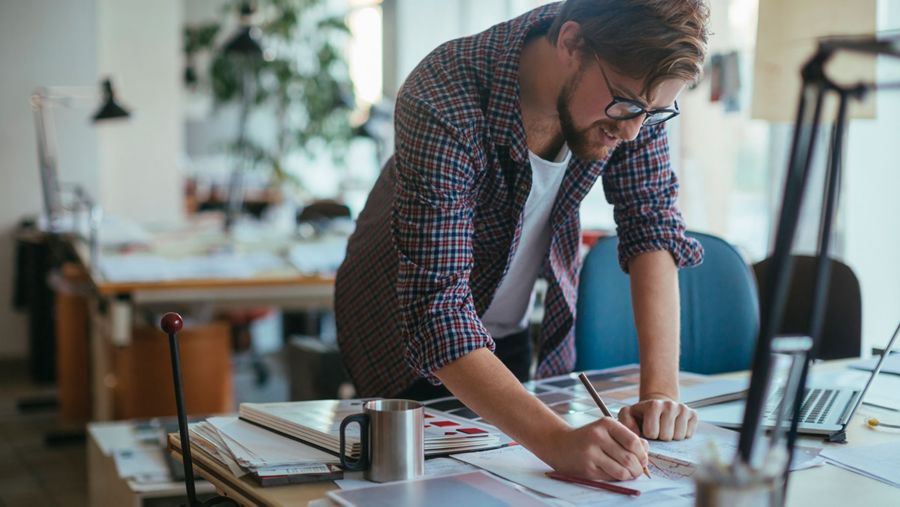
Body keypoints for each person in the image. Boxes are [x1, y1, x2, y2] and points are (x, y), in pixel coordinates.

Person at [335, 0, 709, 482]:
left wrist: (661, 392)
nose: (634, 132)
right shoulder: (445, 93)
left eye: (655, 113)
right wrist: (556, 442)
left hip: (501, 341)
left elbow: (651, 224)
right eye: (628, 104)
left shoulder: (633, 86)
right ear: (570, 43)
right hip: (400, 338)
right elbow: (436, 311)